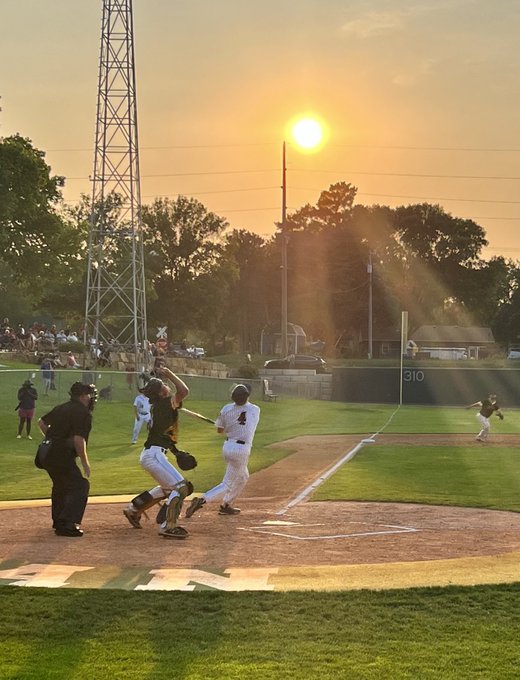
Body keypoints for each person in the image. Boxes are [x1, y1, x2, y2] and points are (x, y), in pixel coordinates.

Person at [123, 367, 192, 539]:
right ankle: (167, 525)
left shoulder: (159, 406)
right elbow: (184, 391)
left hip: (153, 454)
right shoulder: (165, 403)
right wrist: (170, 373)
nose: (167, 386)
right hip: (154, 455)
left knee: (169, 489)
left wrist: (176, 452)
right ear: (161, 393)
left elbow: (164, 435)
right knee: (181, 487)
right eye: (164, 386)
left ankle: (134, 509)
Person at [185, 384, 260, 518]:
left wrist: (226, 426)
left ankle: (226, 504)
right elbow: (244, 424)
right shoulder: (255, 409)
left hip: (228, 447)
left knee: (243, 477)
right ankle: (202, 500)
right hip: (241, 450)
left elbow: (220, 430)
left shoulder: (226, 409)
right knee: (227, 483)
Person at [37, 382, 97, 537]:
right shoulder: (82, 412)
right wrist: (85, 463)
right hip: (60, 455)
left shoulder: (61, 407)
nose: (91, 398)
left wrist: (53, 438)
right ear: (83, 396)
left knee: (61, 485)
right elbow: (79, 439)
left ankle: (59, 521)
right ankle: (68, 524)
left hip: (47, 454)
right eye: (89, 395)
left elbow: (41, 423)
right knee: (80, 485)